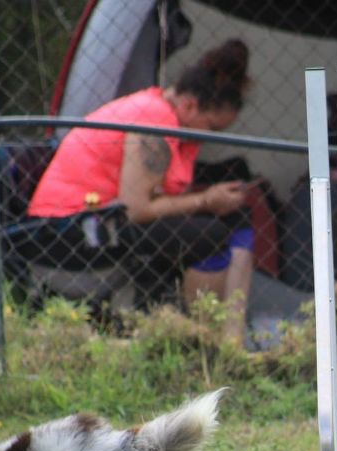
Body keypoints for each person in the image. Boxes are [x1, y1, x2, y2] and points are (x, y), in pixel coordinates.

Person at [28, 39, 254, 344]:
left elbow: (162, 200)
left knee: (238, 218)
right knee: (208, 236)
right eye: (211, 127)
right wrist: (205, 200)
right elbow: (136, 209)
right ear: (189, 105)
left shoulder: (173, 122)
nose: (209, 137)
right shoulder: (154, 122)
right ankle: (205, 342)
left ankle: (232, 341)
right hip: (67, 230)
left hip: (101, 222)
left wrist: (210, 202)